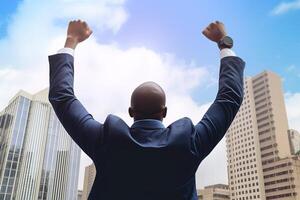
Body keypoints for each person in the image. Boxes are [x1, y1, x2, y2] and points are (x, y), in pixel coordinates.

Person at [48, 20, 245, 200]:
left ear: (131, 112)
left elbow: (63, 98)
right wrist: (224, 44)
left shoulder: (106, 141)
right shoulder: (189, 143)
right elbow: (228, 99)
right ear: (164, 112)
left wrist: (71, 41)